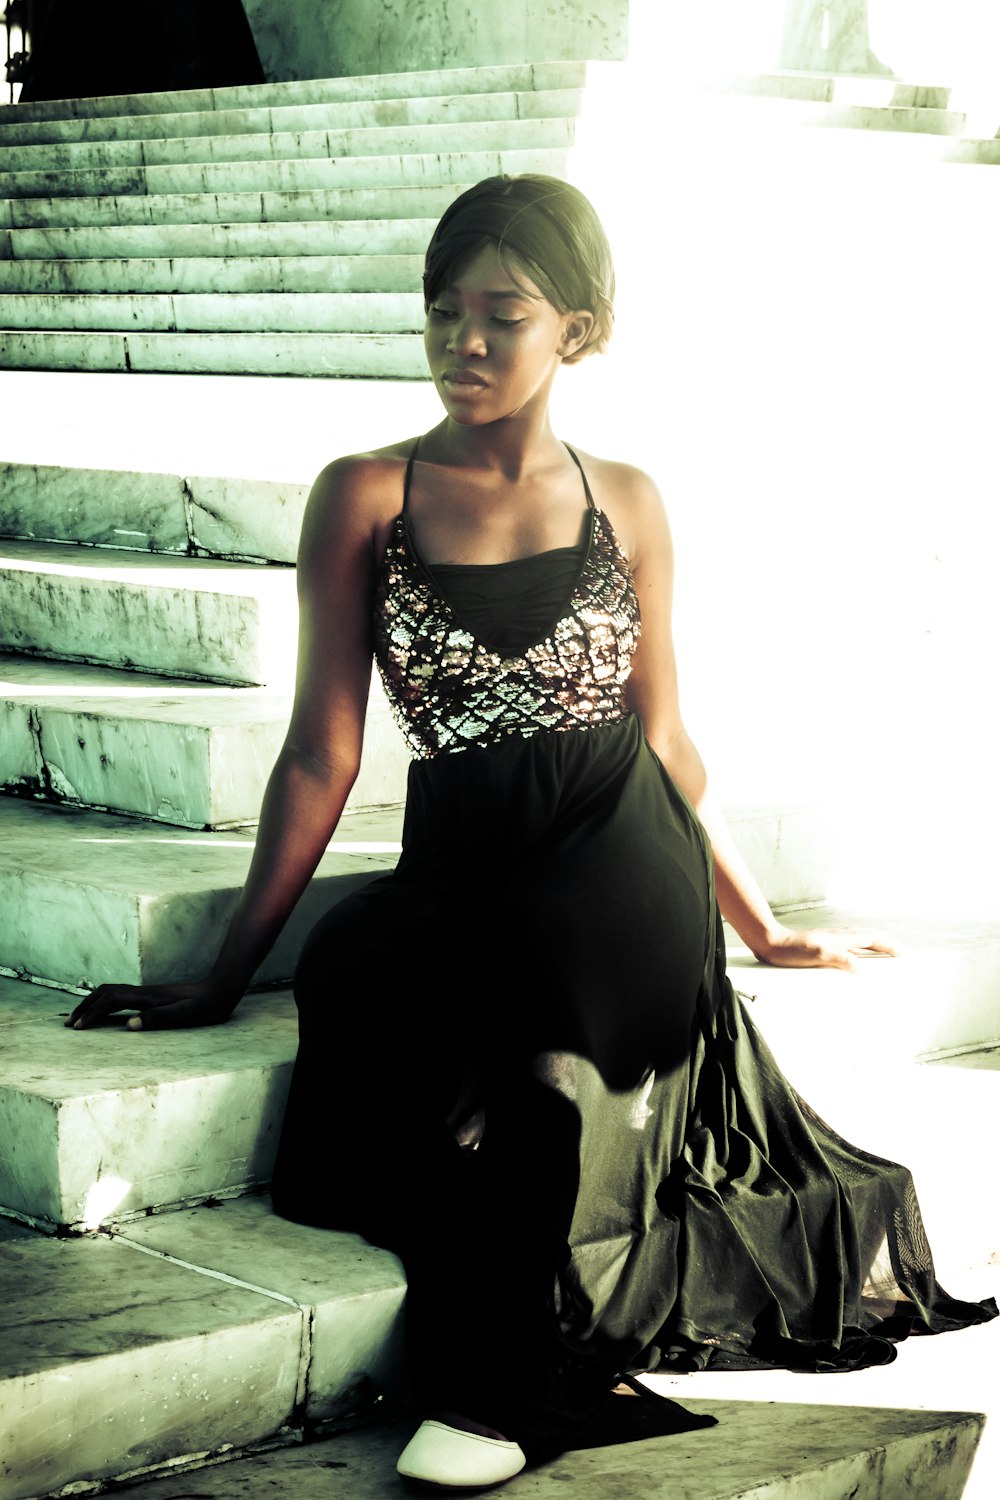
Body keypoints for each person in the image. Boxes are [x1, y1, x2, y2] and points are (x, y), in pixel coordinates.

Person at [68, 174, 996, 1490]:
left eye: (503, 314)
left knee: (535, 1037)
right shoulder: (366, 495)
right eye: (443, 313)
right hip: (462, 853)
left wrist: (759, 924)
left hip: (616, 844)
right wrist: (226, 969)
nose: (466, 344)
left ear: (579, 326)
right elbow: (322, 748)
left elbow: (669, 739)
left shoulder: (627, 497)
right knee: (354, 973)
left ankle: (498, 1391)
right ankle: (515, 1341)